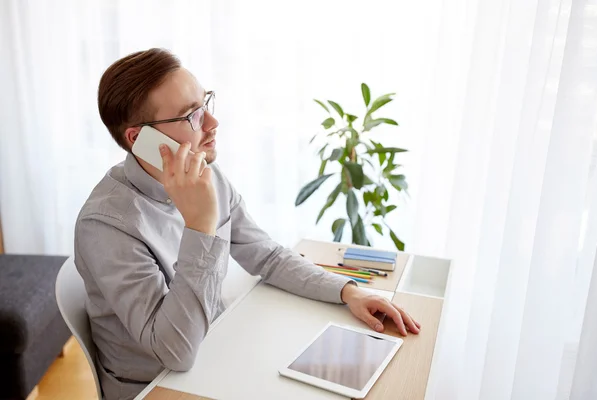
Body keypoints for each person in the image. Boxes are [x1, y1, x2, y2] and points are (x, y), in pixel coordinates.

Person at [74, 48, 420, 400]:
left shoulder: (206, 175)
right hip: (158, 387)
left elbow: (266, 256)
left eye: (205, 102)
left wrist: (349, 292)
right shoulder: (106, 225)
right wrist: (200, 226)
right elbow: (175, 352)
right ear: (139, 139)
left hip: (218, 352)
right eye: (191, 116)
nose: (211, 123)